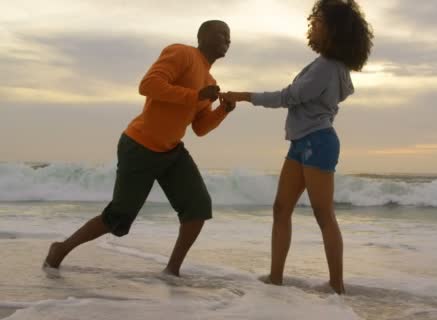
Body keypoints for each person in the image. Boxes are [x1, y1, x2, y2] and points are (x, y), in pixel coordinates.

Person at [44, 20, 235, 277]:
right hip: (139, 146)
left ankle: (172, 270)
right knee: (118, 217)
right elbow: (148, 85)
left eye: (229, 36)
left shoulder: (209, 79)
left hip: (171, 151)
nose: (227, 39)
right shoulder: (182, 53)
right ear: (202, 37)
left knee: (198, 207)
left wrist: (223, 110)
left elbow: (199, 128)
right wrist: (196, 96)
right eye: (221, 34)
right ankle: (61, 249)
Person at [222, 0, 373, 294]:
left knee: (323, 214)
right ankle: (275, 278)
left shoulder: (328, 67)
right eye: (313, 22)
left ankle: (336, 285)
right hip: (303, 142)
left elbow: (290, 96)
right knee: (281, 209)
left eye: (318, 23)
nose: (312, 26)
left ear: (334, 30)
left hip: (317, 142)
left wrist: (244, 95)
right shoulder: (332, 66)